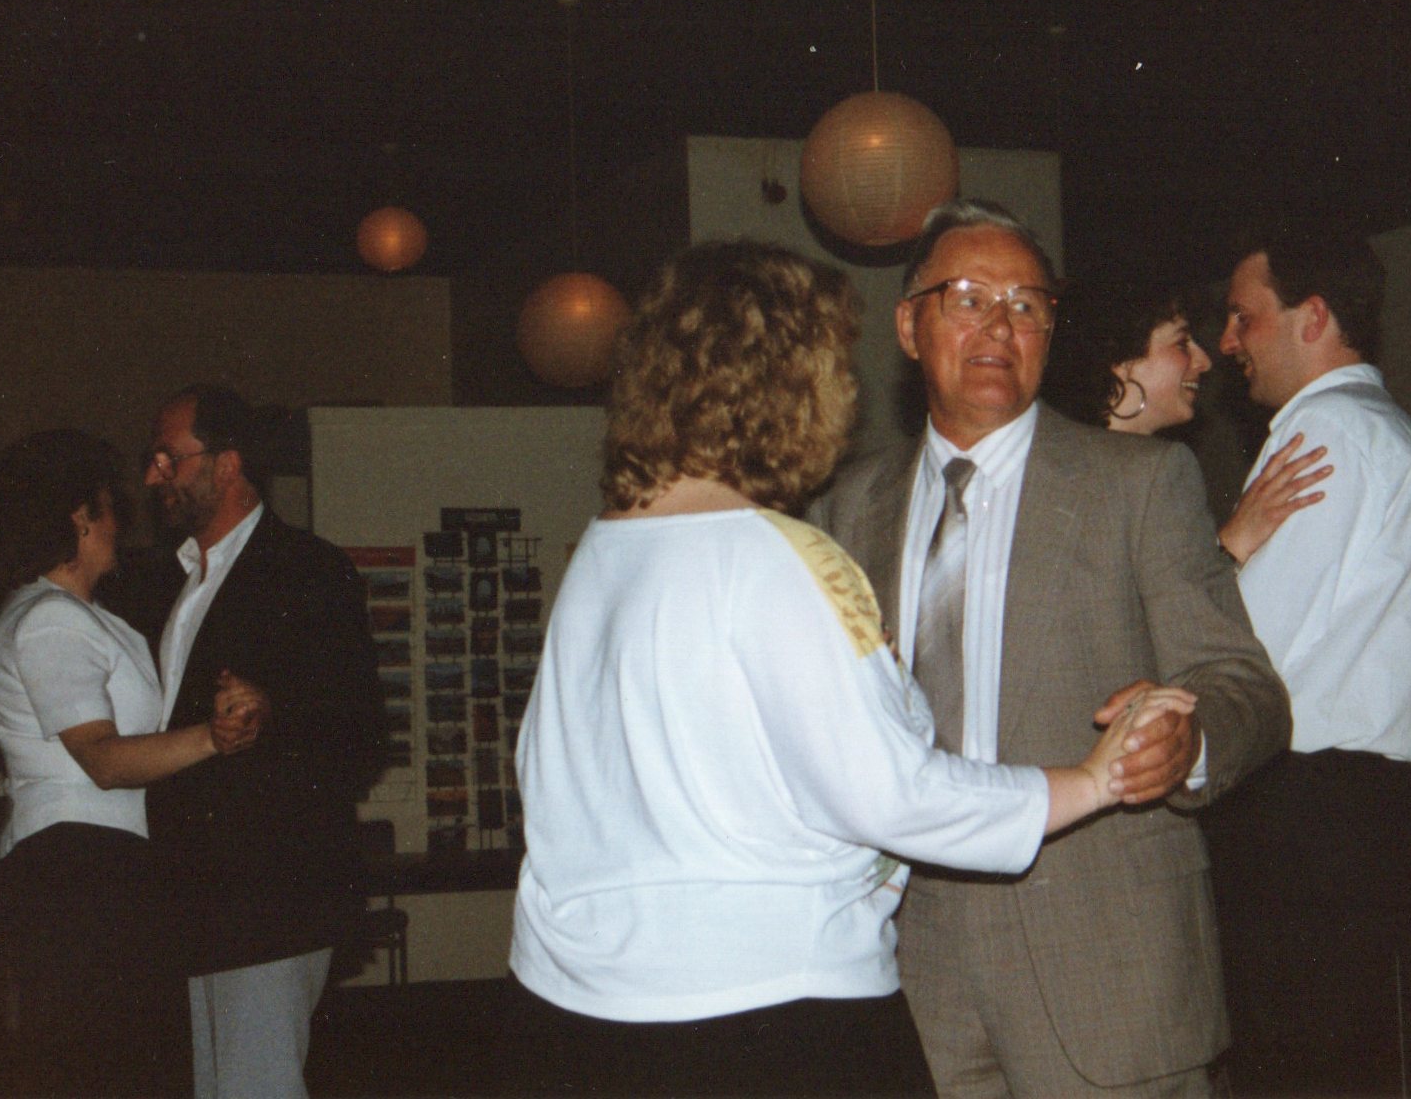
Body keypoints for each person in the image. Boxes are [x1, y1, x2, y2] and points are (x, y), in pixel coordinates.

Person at [503, 239, 1194, 1097]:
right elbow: (893, 793)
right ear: (797, 384)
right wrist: (1090, 781)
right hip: (766, 1014)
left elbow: (551, 768)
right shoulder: (781, 556)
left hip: (585, 1009)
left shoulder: (605, 552)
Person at [809, 200, 1290, 1098]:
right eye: (969, 298)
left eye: (1028, 305)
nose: (1001, 325)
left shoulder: (1137, 485)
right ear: (910, 326)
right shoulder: (848, 509)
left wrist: (1190, 746)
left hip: (1105, 961)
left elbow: (1245, 685)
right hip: (907, 964)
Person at [1205, 219, 1411, 1096]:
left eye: (1245, 318)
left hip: (1309, 811)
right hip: (1348, 812)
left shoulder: (1328, 436)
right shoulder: (1371, 429)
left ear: (1312, 315)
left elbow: (1241, 653)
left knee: (1289, 1065)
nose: (1227, 342)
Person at [0, 429, 261, 1097]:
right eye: (109, 509)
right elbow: (102, 760)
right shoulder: (51, 620)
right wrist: (211, 738)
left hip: (100, 867)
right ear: (80, 516)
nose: (119, 526)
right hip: (79, 869)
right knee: (114, 1070)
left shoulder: (83, 616)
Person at [140, 385, 387, 1099]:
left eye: (169, 456)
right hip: (199, 894)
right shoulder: (174, 581)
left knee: (256, 1087)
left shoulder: (307, 570)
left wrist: (272, 712)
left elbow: (361, 734)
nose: (155, 473)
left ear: (228, 464)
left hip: (271, 893)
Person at [1041, 278, 1333, 561]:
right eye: (1182, 344)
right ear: (1122, 360)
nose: (1203, 362)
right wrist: (1233, 543)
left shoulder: (1072, 466)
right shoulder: (1143, 472)